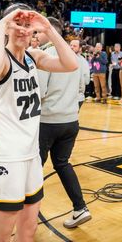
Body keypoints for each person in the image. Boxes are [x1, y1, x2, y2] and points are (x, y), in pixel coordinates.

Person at [0, 3, 78, 242]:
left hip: (32, 156)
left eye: (27, 26)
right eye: (17, 24)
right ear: (6, 27)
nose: (23, 30)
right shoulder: (1, 59)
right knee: (0, 236)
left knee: (28, 232)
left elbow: (71, 64)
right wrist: (3, 24)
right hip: (7, 157)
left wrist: (47, 27)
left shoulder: (33, 57)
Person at [37, 21, 92, 229]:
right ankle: (80, 207)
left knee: (35, 168)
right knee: (62, 164)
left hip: (48, 121)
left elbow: (40, 92)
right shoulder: (74, 56)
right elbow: (81, 88)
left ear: (47, 33)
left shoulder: (45, 55)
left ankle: (27, 213)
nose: (35, 35)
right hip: (70, 120)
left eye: (38, 32)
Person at [70, 39, 90, 109]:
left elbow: (86, 80)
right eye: (71, 45)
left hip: (77, 97)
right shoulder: (66, 59)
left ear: (80, 48)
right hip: (66, 96)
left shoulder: (83, 62)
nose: (71, 47)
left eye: (74, 46)